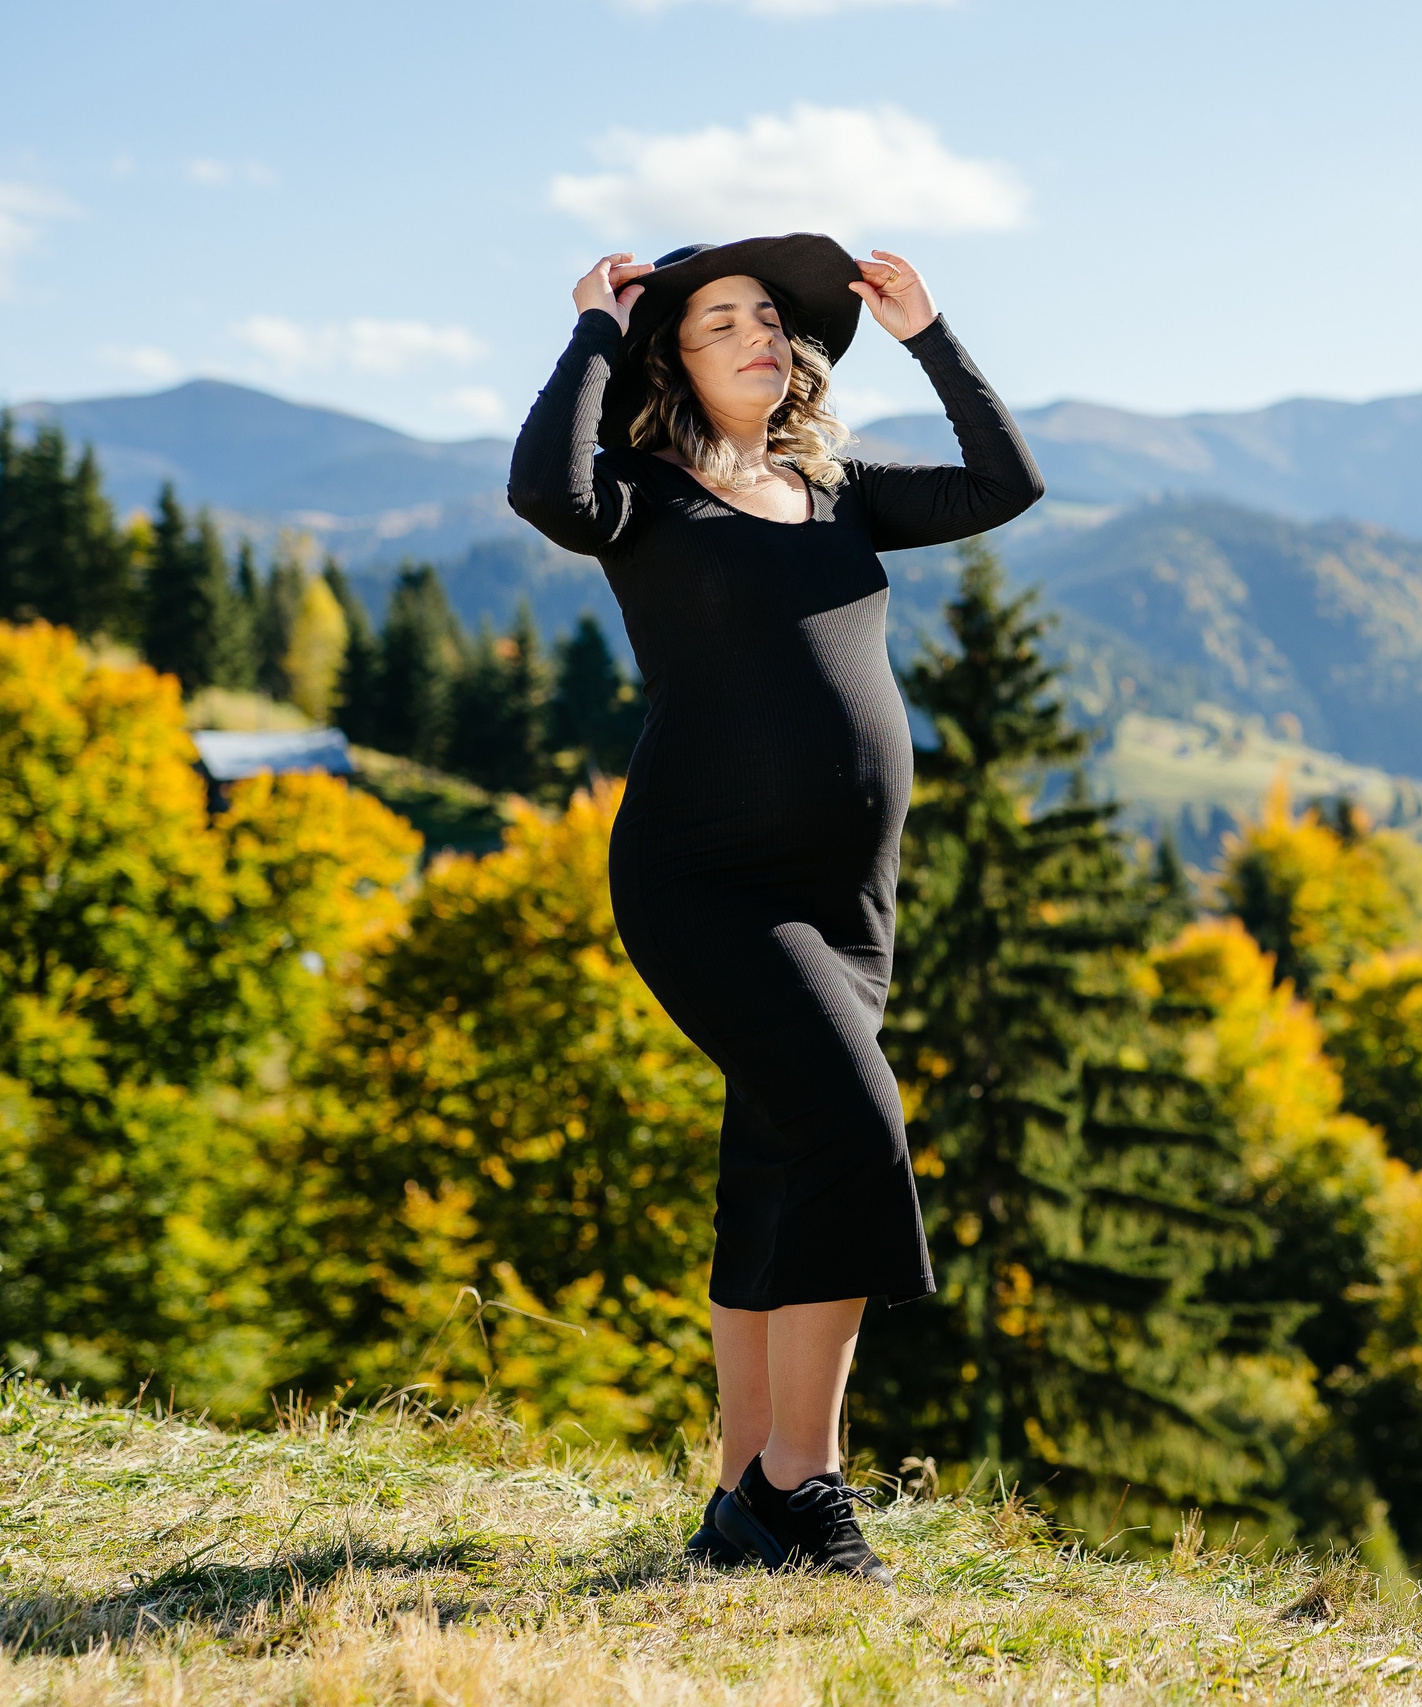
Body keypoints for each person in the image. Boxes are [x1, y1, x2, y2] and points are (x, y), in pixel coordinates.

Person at [508, 233, 1043, 1579]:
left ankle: (742, 1491)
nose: (755, 335)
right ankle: (807, 1487)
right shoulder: (642, 493)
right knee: (857, 1134)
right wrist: (588, 331)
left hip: (849, 897)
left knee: (776, 1167)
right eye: (715, 324)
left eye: (766, 318)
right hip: (706, 881)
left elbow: (1004, 483)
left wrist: (930, 335)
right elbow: (545, 493)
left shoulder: (842, 492)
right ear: (669, 365)